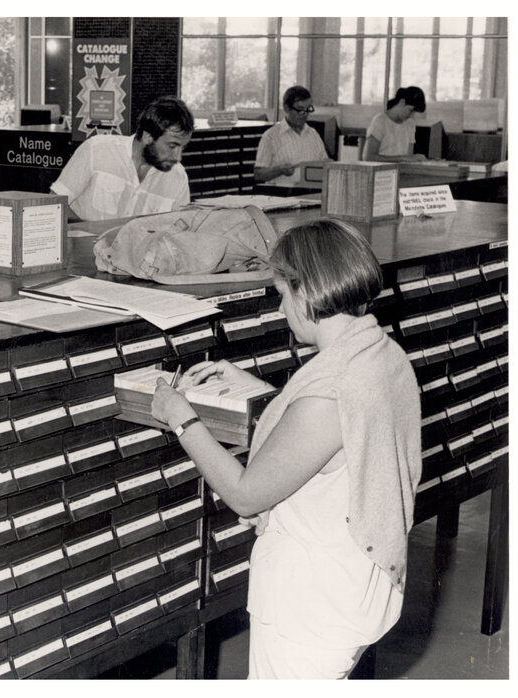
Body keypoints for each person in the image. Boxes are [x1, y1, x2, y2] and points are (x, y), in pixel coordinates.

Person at [152, 219, 421, 679]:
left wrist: (180, 416)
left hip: (311, 603)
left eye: (282, 293)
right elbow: (335, 435)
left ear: (307, 290)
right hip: (356, 583)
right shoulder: (379, 352)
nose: (281, 308)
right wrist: (261, 391)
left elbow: (245, 494)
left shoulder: (329, 393)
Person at [50, 96, 194, 221]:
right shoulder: (97, 149)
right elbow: (54, 204)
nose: (178, 156)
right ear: (148, 136)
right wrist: (88, 231)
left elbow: (180, 228)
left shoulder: (177, 176)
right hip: (87, 249)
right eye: (172, 146)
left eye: (183, 147)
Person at [254, 85, 330, 184]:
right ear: (287, 108)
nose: (305, 114)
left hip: (310, 193)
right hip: (282, 195)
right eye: (300, 109)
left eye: (308, 109)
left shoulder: (313, 134)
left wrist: (328, 164)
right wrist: (280, 170)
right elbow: (258, 174)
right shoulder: (271, 136)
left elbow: (323, 162)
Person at [362, 86, 428, 162]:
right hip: (380, 172)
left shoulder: (410, 124)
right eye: (410, 110)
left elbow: (409, 158)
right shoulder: (380, 121)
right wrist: (403, 158)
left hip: (400, 171)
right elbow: (368, 157)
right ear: (402, 102)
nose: (411, 116)